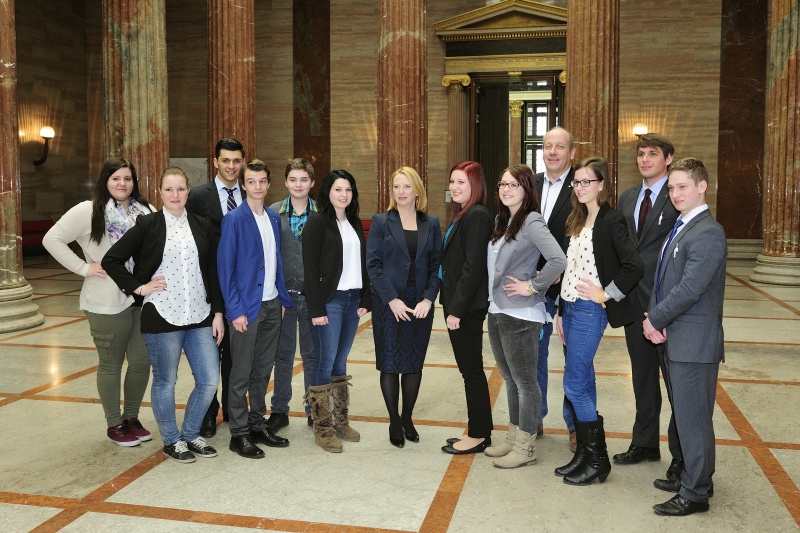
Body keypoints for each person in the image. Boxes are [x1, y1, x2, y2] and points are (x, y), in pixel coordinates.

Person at [103, 167, 224, 464]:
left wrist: (218, 312)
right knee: (165, 381)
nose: (175, 195)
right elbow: (112, 259)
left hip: (200, 314)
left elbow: (212, 271)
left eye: (181, 189)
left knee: (209, 380)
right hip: (161, 314)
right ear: (160, 192)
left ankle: (191, 433)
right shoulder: (148, 224)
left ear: (188, 191)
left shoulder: (202, 224)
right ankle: (172, 440)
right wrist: (139, 288)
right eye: (169, 189)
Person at [43, 158, 154, 447]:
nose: (122, 184)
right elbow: (51, 239)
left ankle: (131, 418)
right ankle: (114, 423)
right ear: (105, 180)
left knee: (141, 362)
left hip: (142, 298)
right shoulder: (88, 210)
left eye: (127, 178)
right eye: (116, 178)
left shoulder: (146, 210)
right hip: (106, 299)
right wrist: (84, 268)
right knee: (111, 364)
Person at [644, 157, 726, 516]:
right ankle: (688, 474)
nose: (675, 193)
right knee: (684, 414)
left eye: (683, 187)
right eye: (672, 187)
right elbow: (661, 279)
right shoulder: (682, 226)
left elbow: (691, 288)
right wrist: (653, 318)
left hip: (693, 343)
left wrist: (656, 318)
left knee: (694, 419)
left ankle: (696, 492)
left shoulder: (708, 231)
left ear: (702, 186)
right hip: (672, 336)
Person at [553, 156, 643, 485]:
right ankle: (585, 454)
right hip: (571, 310)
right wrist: (561, 312)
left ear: (601, 185)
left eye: (587, 182)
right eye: (576, 182)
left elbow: (634, 266)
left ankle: (598, 459)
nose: (580, 187)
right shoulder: (576, 220)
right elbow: (570, 272)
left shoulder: (611, 221)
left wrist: (606, 294)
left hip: (592, 311)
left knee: (574, 384)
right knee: (585, 380)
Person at [485, 164, 566, 468]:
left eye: (513, 185)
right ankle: (512, 438)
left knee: (525, 381)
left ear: (527, 190)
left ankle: (526, 447)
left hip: (521, 313)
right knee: (510, 379)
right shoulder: (502, 220)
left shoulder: (531, 221)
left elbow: (558, 259)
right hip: (497, 309)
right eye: (502, 184)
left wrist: (533, 286)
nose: (505, 190)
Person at [615, 133, 681, 475]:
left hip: (666, 305)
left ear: (667, 159)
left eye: (652, 154)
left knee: (676, 385)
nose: (644, 160)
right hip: (633, 303)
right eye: (640, 154)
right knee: (642, 378)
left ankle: (681, 458)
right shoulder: (628, 198)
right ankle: (644, 444)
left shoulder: (677, 196)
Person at [217, 159, 292, 459]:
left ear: (268, 184)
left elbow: (277, 262)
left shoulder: (274, 218)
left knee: (263, 370)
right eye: (252, 182)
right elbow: (226, 269)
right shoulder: (234, 219)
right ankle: (238, 432)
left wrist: (283, 300)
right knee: (242, 372)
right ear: (244, 185)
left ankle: (256, 423)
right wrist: (235, 311)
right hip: (247, 308)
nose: (257, 186)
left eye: (262, 181)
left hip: (273, 305)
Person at [366, 166, 442, 448]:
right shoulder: (381, 221)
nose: (400, 192)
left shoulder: (431, 223)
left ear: (417, 190)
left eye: (406, 186)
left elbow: (436, 266)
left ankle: (407, 417)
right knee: (390, 362)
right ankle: (394, 421)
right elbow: (372, 265)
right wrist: (391, 299)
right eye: (396, 187)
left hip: (420, 302)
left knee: (412, 363)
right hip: (389, 302)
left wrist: (428, 299)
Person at [302, 169, 371, 453]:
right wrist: (316, 309)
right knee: (324, 361)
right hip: (329, 302)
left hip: (353, 299)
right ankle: (323, 427)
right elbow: (310, 269)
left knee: (340, 361)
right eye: (338, 189)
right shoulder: (317, 223)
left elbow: (361, 263)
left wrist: (366, 297)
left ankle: (341, 420)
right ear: (328, 192)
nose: (344, 195)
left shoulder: (353, 221)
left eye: (348, 190)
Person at [185, 138, 245, 438]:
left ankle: (235, 410)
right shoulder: (197, 196)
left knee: (236, 353)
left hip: (240, 288)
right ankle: (209, 412)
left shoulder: (250, 194)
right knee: (209, 352)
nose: (231, 166)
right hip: (206, 285)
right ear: (216, 161)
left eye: (236, 161)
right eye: (226, 160)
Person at [439, 161, 494, 455]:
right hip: (460, 304)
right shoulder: (463, 214)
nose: (455, 187)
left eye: (462, 182)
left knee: (471, 369)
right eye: (452, 182)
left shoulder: (477, 215)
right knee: (469, 369)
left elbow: (473, 268)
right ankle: (478, 428)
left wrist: (456, 310)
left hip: (467, 308)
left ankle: (479, 434)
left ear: (476, 185)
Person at [533, 127, 578, 450]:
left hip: (570, 287)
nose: (552, 152)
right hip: (535, 287)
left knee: (574, 357)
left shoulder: (582, 184)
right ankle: (534, 417)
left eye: (559, 147)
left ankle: (576, 425)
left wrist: (564, 269)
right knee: (534, 354)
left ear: (571, 152)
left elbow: (588, 232)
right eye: (547, 146)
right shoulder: (531, 184)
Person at [268, 158, 317, 431]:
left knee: (312, 355)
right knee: (283, 355)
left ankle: (314, 407)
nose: (298, 185)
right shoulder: (274, 212)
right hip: (283, 296)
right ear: (286, 182)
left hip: (312, 296)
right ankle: (279, 410)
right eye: (293, 180)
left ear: (311, 182)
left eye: (304, 180)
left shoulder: (322, 213)